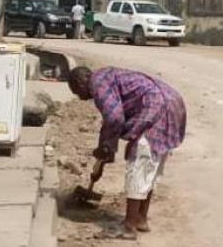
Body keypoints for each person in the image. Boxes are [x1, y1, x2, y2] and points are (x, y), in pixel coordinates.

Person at [68, 65, 186, 238]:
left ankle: (129, 226)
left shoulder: (97, 83)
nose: (81, 98)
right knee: (148, 169)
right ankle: (140, 219)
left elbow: (114, 117)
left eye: (77, 92)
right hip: (172, 102)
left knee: (139, 163)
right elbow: (113, 120)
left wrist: (105, 147)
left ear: (80, 82)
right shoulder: (106, 76)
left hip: (155, 107)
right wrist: (106, 153)